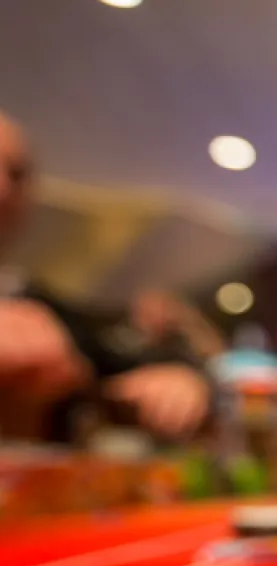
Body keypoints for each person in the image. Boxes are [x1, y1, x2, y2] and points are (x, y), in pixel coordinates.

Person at [0, 112, 211, 443]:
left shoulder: (31, 300)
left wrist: (180, 379)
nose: (1, 187)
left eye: (16, 174)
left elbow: (112, 363)